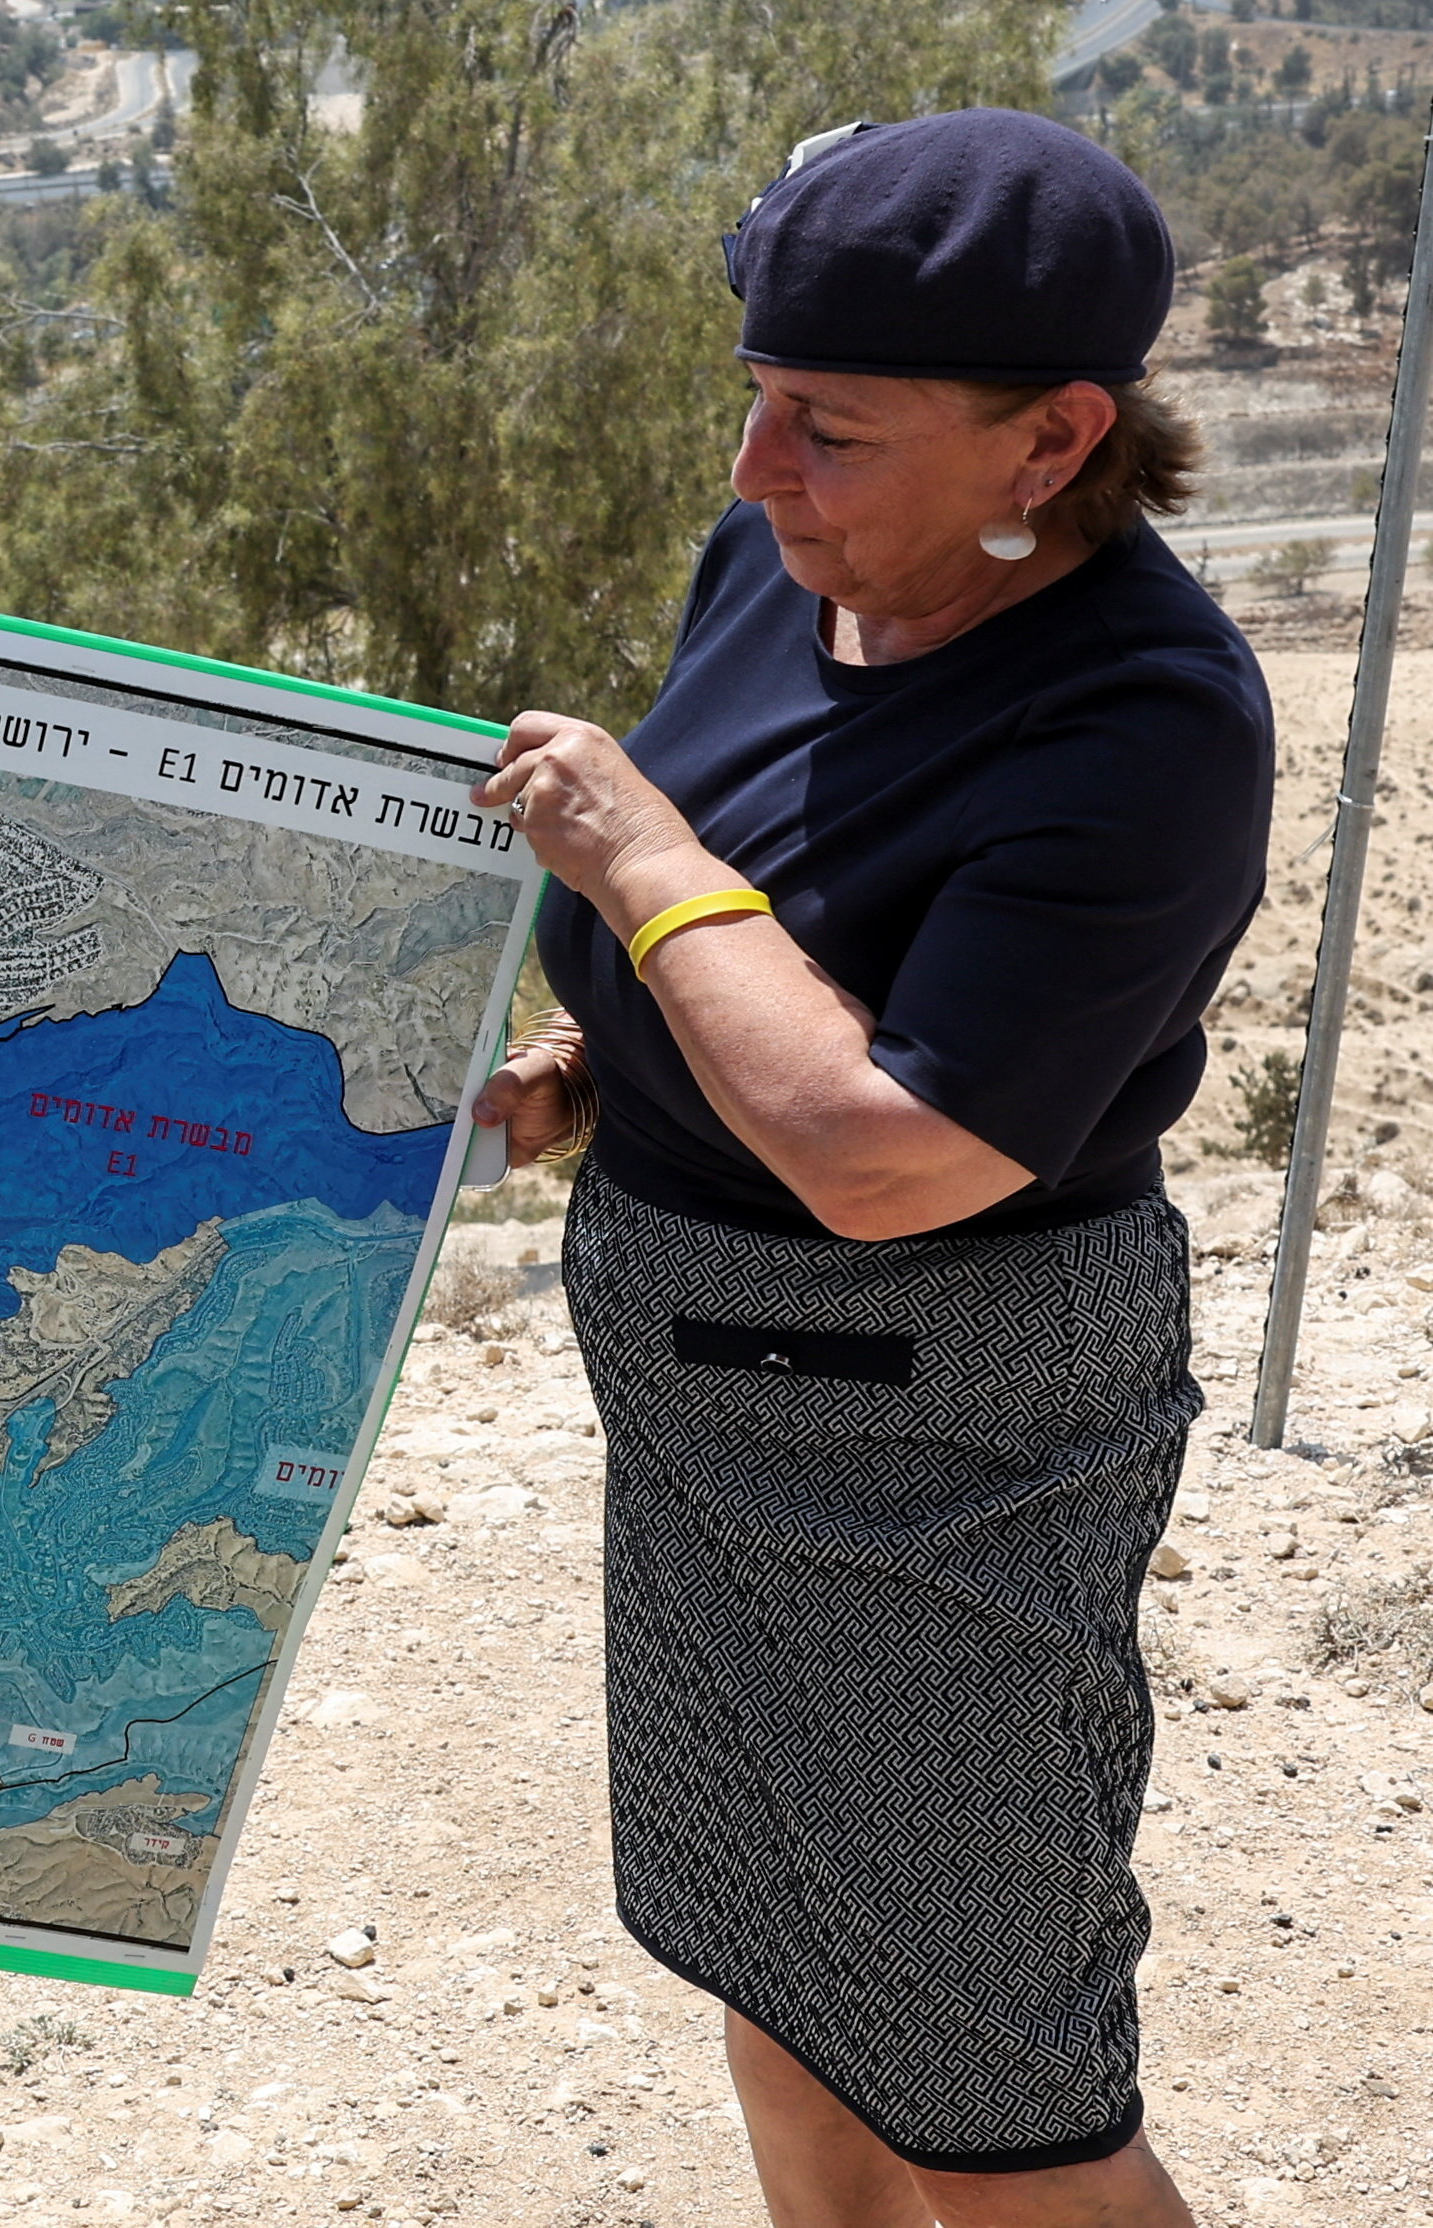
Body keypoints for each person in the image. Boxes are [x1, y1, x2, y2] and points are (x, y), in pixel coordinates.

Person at [467, 114, 1268, 2228]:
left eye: (828, 428)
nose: (757, 478)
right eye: (756, 408)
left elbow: (890, 1154)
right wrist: (593, 1057)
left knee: (997, 2088)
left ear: (1051, 440)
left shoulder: (1146, 720)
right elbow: (763, 943)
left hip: (946, 1458)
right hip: (704, 1428)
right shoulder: (787, 568)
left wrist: (632, 852)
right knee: (793, 1973)